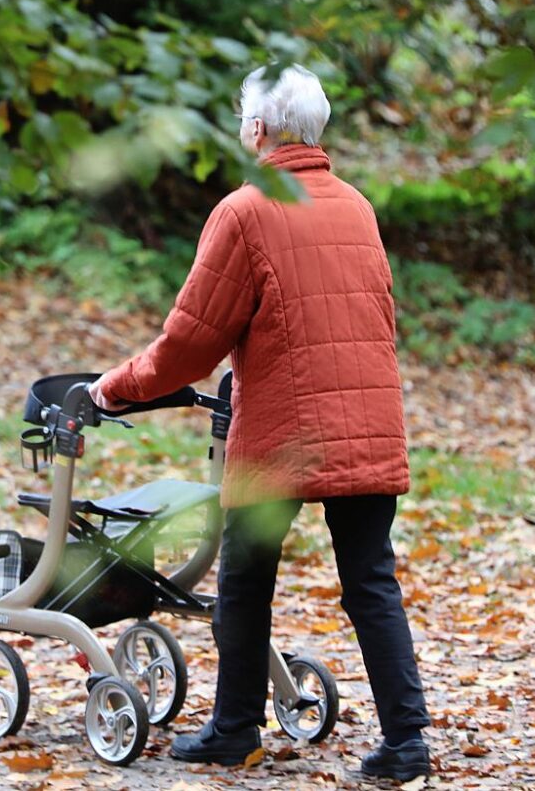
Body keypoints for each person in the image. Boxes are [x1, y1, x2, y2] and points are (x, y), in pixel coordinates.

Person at [88, 64, 431, 781]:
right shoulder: (358, 207)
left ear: (257, 130)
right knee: (371, 578)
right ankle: (407, 741)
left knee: (244, 578)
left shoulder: (245, 211)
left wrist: (115, 390)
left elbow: (190, 342)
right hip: (369, 415)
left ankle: (235, 728)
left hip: (283, 429)